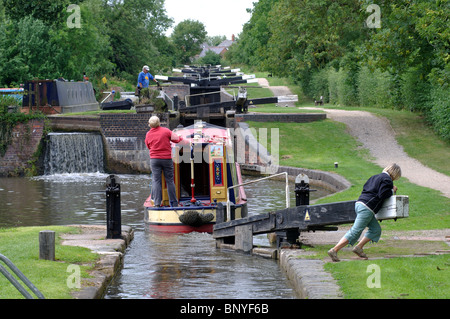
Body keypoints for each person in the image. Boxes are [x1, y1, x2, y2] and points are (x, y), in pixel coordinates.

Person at [327, 163, 402, 262]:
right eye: (395, 178)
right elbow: (382, 194)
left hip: (360, 204)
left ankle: (359, 248)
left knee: (375, 230)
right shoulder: (387, 180)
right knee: (355, 231)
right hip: (367, 208)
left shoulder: (375, 177)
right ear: (394, 174)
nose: (394, 180)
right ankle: (334, 250)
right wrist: (392, 190)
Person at [145, 116, 184, 207]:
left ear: (150, 125)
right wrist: (183, 139)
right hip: (166, 159)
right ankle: (174, 203)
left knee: (156, 181)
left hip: (154, 160)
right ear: (159, 123)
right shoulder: (166, 131)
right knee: (170, 180)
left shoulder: (148, 134)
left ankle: (157, 203)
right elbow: (177, 140)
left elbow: (148, 146)